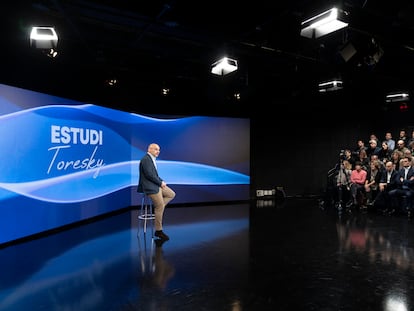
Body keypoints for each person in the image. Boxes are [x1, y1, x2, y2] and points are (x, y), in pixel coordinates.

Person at [138, 143, 176, 241]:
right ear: (149, 149)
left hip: (155, 184)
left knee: (171, 194)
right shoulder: (146, 159)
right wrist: (160, 183)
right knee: (160, 206)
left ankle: (158, 208)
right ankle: (158, 231)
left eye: (159, 149)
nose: (158, 151)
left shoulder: (152, 159)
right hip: (149, 187)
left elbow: (155, 175)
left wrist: (161, 181)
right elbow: (149, 175)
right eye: (156, 149)